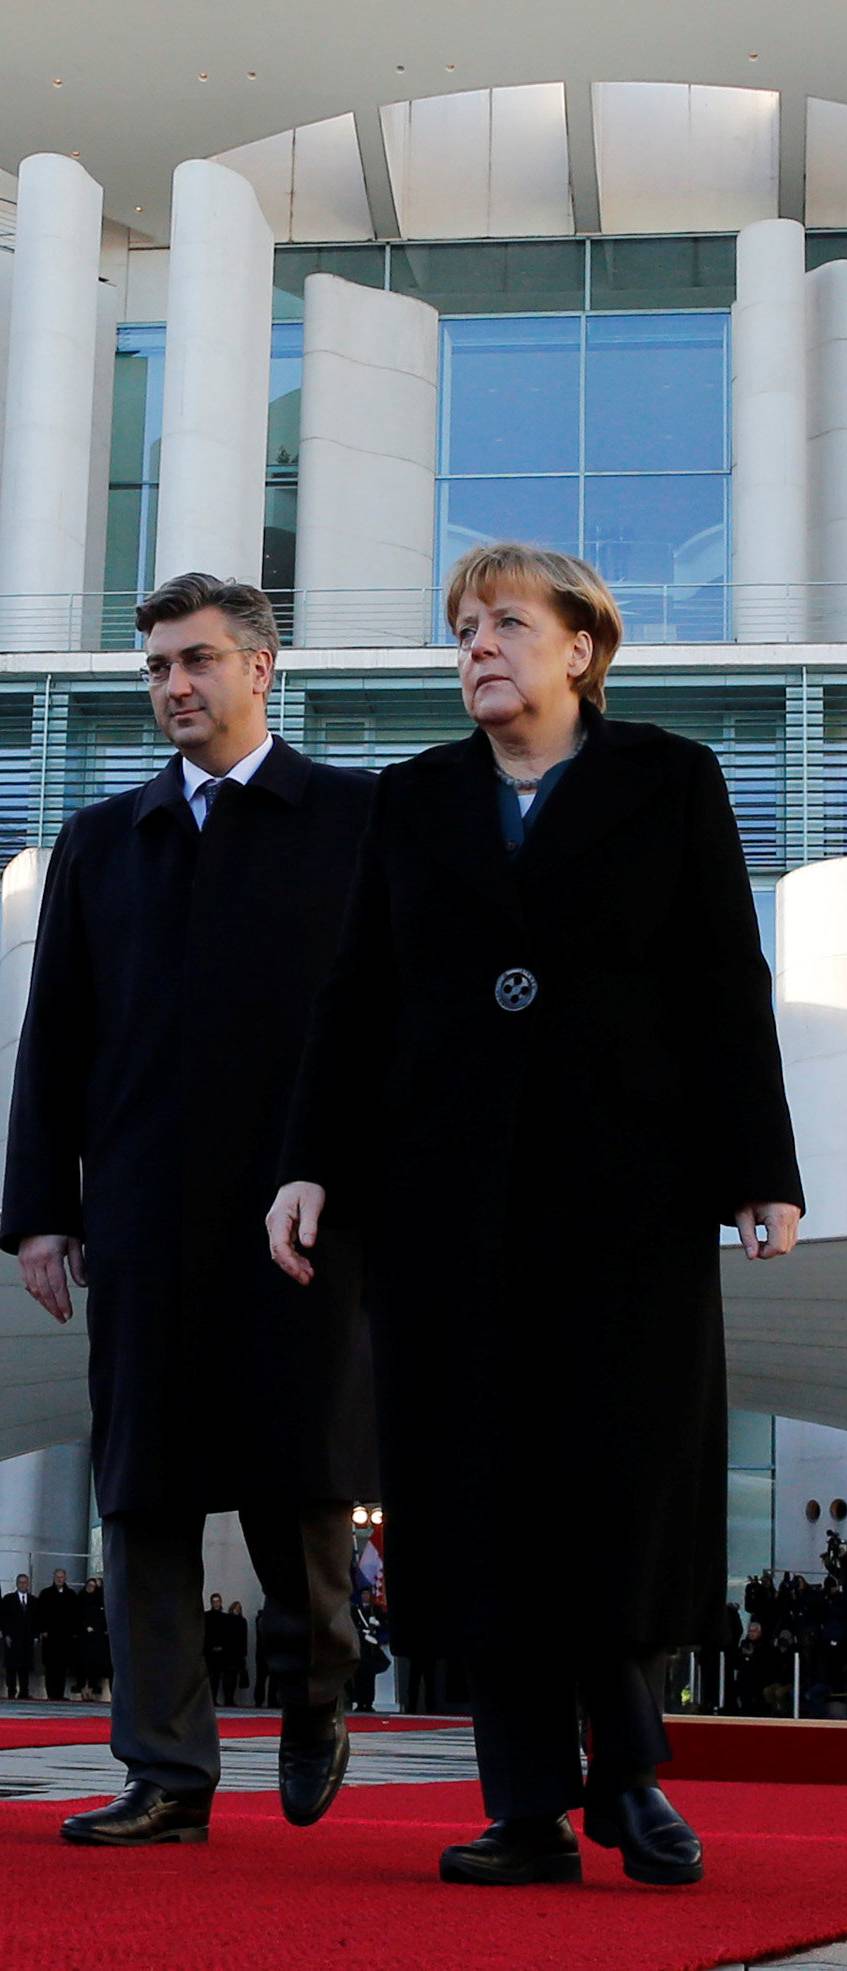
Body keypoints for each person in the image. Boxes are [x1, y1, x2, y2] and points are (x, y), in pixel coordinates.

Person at [268, 543, 804, 1891]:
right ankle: (528, 1807)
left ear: (584, 648)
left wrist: (762, 1165)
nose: (480, 647)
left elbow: (723, 983)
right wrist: (309, 1162)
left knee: (613, 1486)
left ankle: (624, 1774)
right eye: (462, 629)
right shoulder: (412, 801)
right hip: (446, 1203)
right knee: (476, 1493)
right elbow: (355, 998)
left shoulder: (670, 780)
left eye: (509, 622)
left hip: (629, 1196)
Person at [0, 572, 379, 1846]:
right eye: (157, 665)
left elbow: (393, 1029)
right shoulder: (106, 841)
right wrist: (41, 1211)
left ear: (263, 668)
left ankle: (321, 1687)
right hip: (146, 1221)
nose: (174, 685)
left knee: (304, 1482)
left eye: (198, 660)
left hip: (303, 1215)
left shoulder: (353, 821)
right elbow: (55, 1037)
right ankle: (166, 1770)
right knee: (143, 1494)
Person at [36, 1570, 81, 1700]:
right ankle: (51, 1694)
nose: (60, 1579)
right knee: (50, 1668)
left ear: (65, 1578)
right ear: (54, 1578)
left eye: (62, 1577)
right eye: (57, 1577)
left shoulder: (71, 1595)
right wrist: (42, 1630)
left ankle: (59, 1694)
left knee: (62, 1668)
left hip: (65, 1638)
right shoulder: (45, 1594)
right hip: (50, 1637)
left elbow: (75, 1616)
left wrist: (73, 1633)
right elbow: (40, 1614)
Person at [1, 1574, 35, 1698]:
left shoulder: (33, 1600)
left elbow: (36, 1620)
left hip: (27, 1639)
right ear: (17, 1584)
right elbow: (3, 1619)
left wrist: (35, 1636)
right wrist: (6, 1635)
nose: (23, 1585)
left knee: (25, 1667)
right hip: (13, 1638)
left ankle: (24, 1692)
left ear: (28, 1584)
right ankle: (11, 1691)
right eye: (20, 1582)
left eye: (25, 1582)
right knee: (11, 1666)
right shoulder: (8, 1599)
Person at [78, 1577, 111, 1701]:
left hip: (96, 1639)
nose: (91, 1588)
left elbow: (102, 1618)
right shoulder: (80, 1598)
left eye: (94, 1586)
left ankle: (91, 1689)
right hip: (83, 1638)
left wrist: (96, 1628)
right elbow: (77, 1616)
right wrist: (85, 1627)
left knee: (94, 1665)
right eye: (89, 1586)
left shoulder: (99, 1601)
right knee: (82, 1664)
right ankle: (82, 1689)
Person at [201, 1594, 229, 1706]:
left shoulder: (225, 1618)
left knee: (217, 1677)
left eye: (217, 1601)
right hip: (210, 1651)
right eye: (214, 1601)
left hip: (221, 1652)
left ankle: (214, 1698)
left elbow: (226, 1635)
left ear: (220, 1602)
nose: (216, 1603)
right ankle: (210, 1699)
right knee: (210, 1677)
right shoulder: (207, 1616)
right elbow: (206, 1634)